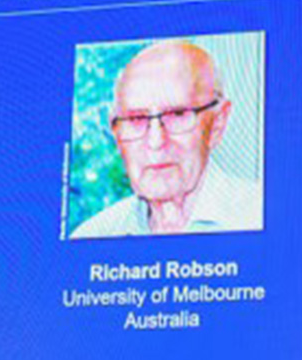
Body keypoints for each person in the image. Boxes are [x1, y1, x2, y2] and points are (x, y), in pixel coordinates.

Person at [71, 39, 261, 238]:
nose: (156, 142)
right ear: (117, 135)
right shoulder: (91, 236)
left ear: (217, 124)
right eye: (136, 119)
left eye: (177, 115)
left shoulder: (260, 217)